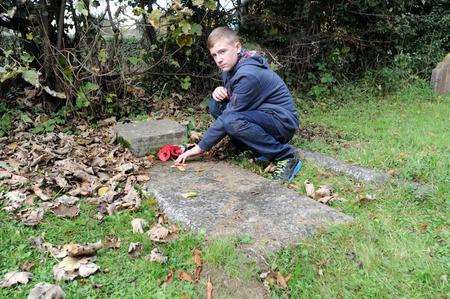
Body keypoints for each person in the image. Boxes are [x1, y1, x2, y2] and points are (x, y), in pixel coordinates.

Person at [174, 26, 302, 182]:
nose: (219, 59)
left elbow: (230, 115)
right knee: (216, 104)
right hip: (263, 115)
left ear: (237, 47)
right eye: (214, 55)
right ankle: (254, 147)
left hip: (281, 123)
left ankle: (286, 157)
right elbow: (235, 98)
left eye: (222, 51)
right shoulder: (231, 67)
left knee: (231, 120)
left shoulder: (248, 74)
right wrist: (220, 91)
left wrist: (200, 147)